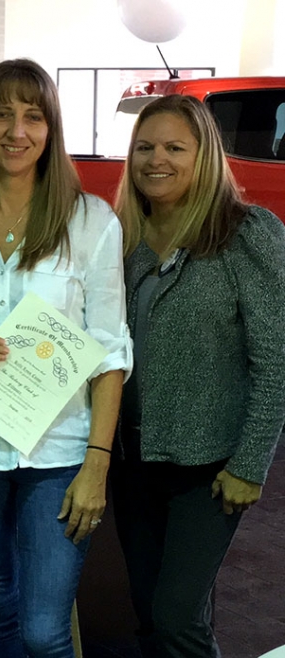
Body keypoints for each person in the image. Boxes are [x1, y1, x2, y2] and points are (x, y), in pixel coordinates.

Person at [0, 58, 132, 657]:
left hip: (61, 452)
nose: (17, 131)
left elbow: (112, 349)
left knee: (44, 633)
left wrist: (96, 464)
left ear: (51, 129)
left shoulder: (89, 219)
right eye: (1, 113)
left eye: (33, 116)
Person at [113, 94, 285, 658]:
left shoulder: (246, 234)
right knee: (148, 611)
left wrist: (250, 465)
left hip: (210, 469)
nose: (155, 159)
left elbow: (276, 362)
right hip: (133, 462)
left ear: (204, 155)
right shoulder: (124, 240)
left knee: (176, 618)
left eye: (173, 147)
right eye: (144, 147)